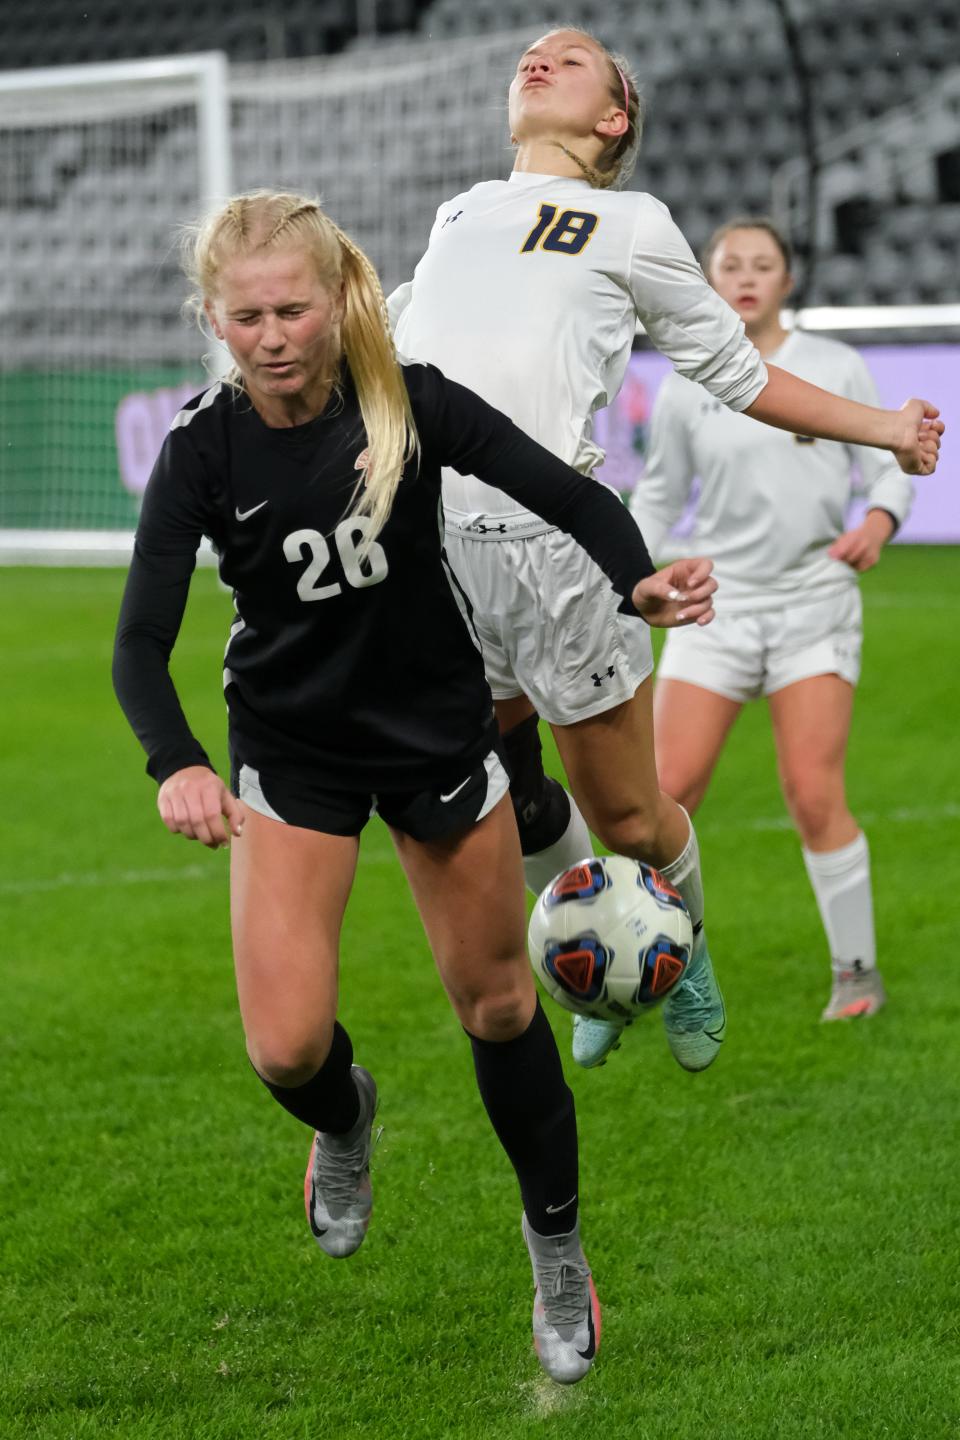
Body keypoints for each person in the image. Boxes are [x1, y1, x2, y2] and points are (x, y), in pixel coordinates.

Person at [111, 189, 716, 1387]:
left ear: (338, 302)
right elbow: (141, 642)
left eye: (293, 308)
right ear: (214, 321)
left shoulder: (411, 404)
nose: (273, 335)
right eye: (247, 317)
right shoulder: (201, 449)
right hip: (293, 753)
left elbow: (568, 490)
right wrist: (177, 759)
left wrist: (636, 582)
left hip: (436, 736)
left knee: (499, 1009)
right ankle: (346, 1119)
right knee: (285, 1050)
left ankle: (557, 1251)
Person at [388, 26, 943, 1069]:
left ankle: (685, 960)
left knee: (633, 816)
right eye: (532, 53)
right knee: (512, 780)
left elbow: (737, 373)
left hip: (558, 551)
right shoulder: (457, 213)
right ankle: (595, 949)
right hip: (442, 554)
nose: (538, 57)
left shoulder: (628, 222)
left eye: (575, 57)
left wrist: (885, 432)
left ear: (614, 118)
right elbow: (394, 345)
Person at [629, 216, 913, 1021]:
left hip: (812, 604)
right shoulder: (690, 378)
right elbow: (656, 498)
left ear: (788, 280)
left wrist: (878, 524)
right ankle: (658, 971)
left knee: (812, 792)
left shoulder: (834, 367)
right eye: (730, 264)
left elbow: (888, 470)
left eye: (763, 264)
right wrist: (622, 566)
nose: (747, 277)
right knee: (665, 793)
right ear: (710, 282)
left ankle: (856, 975)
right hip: (715, 607)